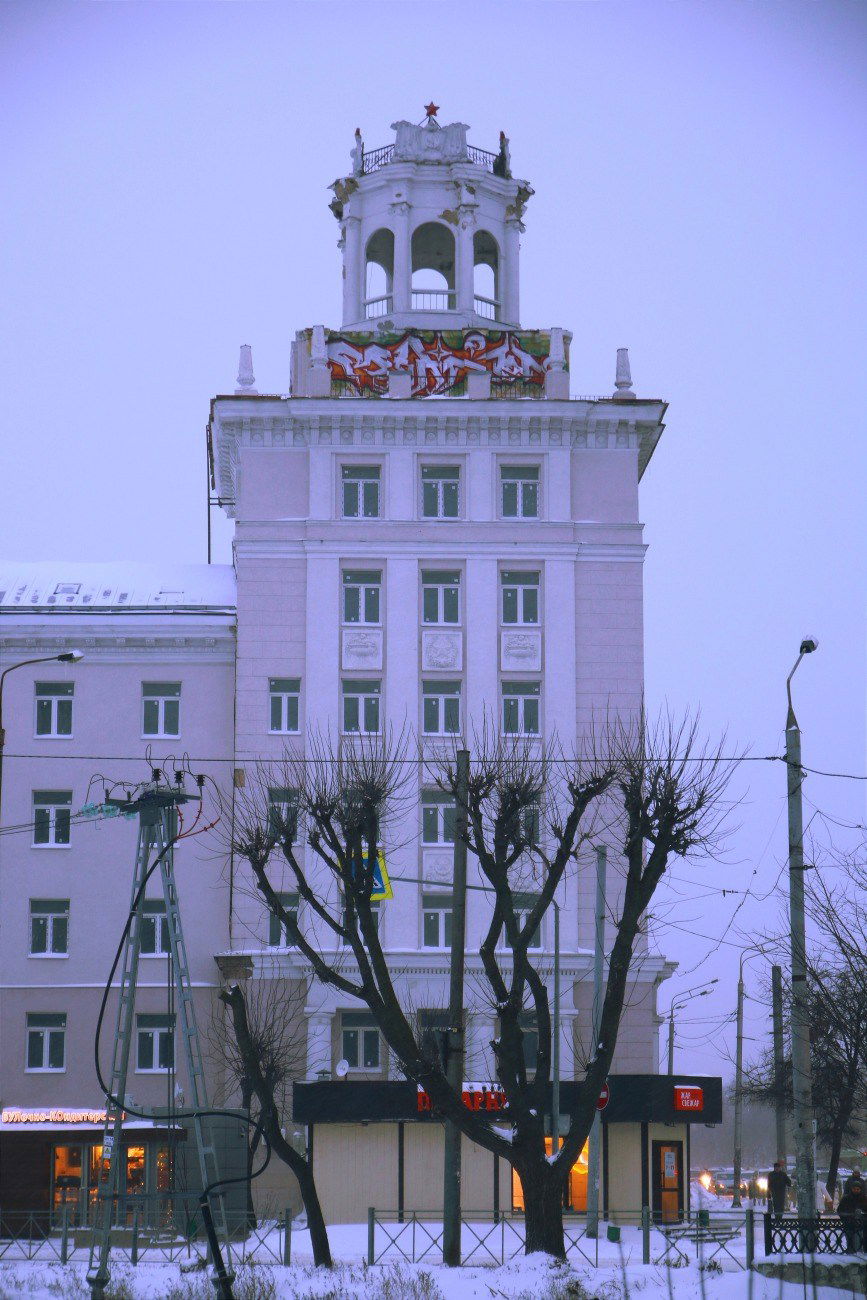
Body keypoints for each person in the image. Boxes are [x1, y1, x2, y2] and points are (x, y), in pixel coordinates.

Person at [836, 1181, 867, 1253]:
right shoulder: (846, 1199)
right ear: (851, 1189)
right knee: (850, 1241)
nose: (856, 1190)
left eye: (858, 1189)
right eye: (854, 1189)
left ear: (860, 1189)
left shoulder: (864, 1199)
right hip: (849, 1224)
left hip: (862, 1225)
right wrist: (846, 1217)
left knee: (863, 1240)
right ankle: (850, 1253)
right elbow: (840, 1210)